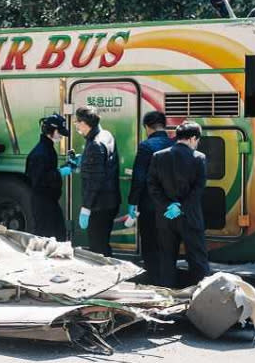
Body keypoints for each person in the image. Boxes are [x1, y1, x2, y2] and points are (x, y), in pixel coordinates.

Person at [147, 121, 209, 287]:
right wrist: (181, 206)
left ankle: (165, 296)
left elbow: (153, 186)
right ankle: (202, 295)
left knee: (167, 259)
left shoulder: (158, 156)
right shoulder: (199, 158)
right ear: (193, 138)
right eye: (197, 140)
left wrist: (168, 205)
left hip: (165, 218)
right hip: (190, 217)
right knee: (197, 259)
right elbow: (198, 188)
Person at [126, 111, 174, 284]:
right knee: (168, 241)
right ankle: (168, 277)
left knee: (149, 240)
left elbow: (139, 177)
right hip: (171, 205)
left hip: (149, 204)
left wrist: (132, 202)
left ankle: (153, 277)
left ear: (147, 127)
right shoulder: (175, 143)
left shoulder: (146, 146)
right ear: (164, 125)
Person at [74, 106, 120, 257]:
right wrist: (84, 160)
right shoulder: (106, 135)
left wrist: (86, 208)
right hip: (110, 201)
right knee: (103, 243)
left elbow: (95, 180)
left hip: (99, 205)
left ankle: (104, 277)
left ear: (85, 123)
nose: (76, 125)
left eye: (77, 122)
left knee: (97, 249)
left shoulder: (95, 143)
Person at [25, 114, 72, 241]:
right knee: (46, 238)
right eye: (59, 133)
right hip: (43, 202)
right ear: (51, 131)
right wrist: (60, 172)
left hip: (49, 201)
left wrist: (64, 168)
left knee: (57, 235)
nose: (61, 136)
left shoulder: (47, 148)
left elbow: (47, 171)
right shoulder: (41, 153)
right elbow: (39, 180)